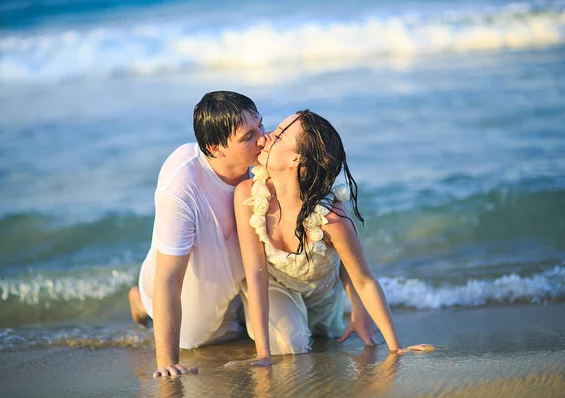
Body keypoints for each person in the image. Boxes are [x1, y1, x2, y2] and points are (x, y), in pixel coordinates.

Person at [231, 110, 432, 365]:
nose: (265, 137)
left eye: (279, 135)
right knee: (291, 346)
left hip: (323, 299)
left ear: (296, 159)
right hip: (275, 289)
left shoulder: (331, 217)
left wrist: (395, 347)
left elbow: (363, 279)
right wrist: (262, 354)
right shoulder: (249, 196)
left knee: (327, 337)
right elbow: (256, 273)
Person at [128, 91, 265, 377]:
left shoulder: (262, 161)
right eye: (248, 136)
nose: (262, 138)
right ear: (215, 148)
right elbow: (168, 278)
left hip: (238, 275)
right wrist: (166, 363)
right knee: (199, 338)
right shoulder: (183, 179)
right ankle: (143, 303)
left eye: (260, 126)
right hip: (188, 287)